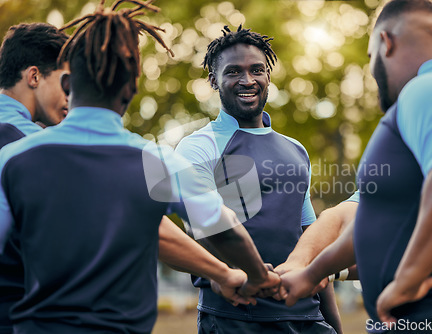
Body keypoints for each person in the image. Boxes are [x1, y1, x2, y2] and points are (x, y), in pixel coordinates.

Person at [0, 1, 279, 333]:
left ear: (67, 85)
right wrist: (257, 277)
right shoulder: (156, 160)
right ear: (132, 88)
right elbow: (224, 227)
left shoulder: (14, 158)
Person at [279, 0, 432, 331]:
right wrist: (310, 274)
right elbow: (371, 217)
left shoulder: (429, 87)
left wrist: (406, 282)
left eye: (370, 57)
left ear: (387, 42)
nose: (371, 71)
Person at [175, 25, 340, 334]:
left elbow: (310, 241)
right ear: (213, 80)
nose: (247, 80)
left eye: (257, 70)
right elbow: (201, 229)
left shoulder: (296, 151)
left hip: (307, 317)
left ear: (268, 76)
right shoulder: (198, 147)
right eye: (233, 72)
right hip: (235, 319)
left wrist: (333, 325)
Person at [0, 22, 69, 334]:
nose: (71, 98)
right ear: (34, 76)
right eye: (66, 83)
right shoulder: (32, 145)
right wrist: (221, 271)